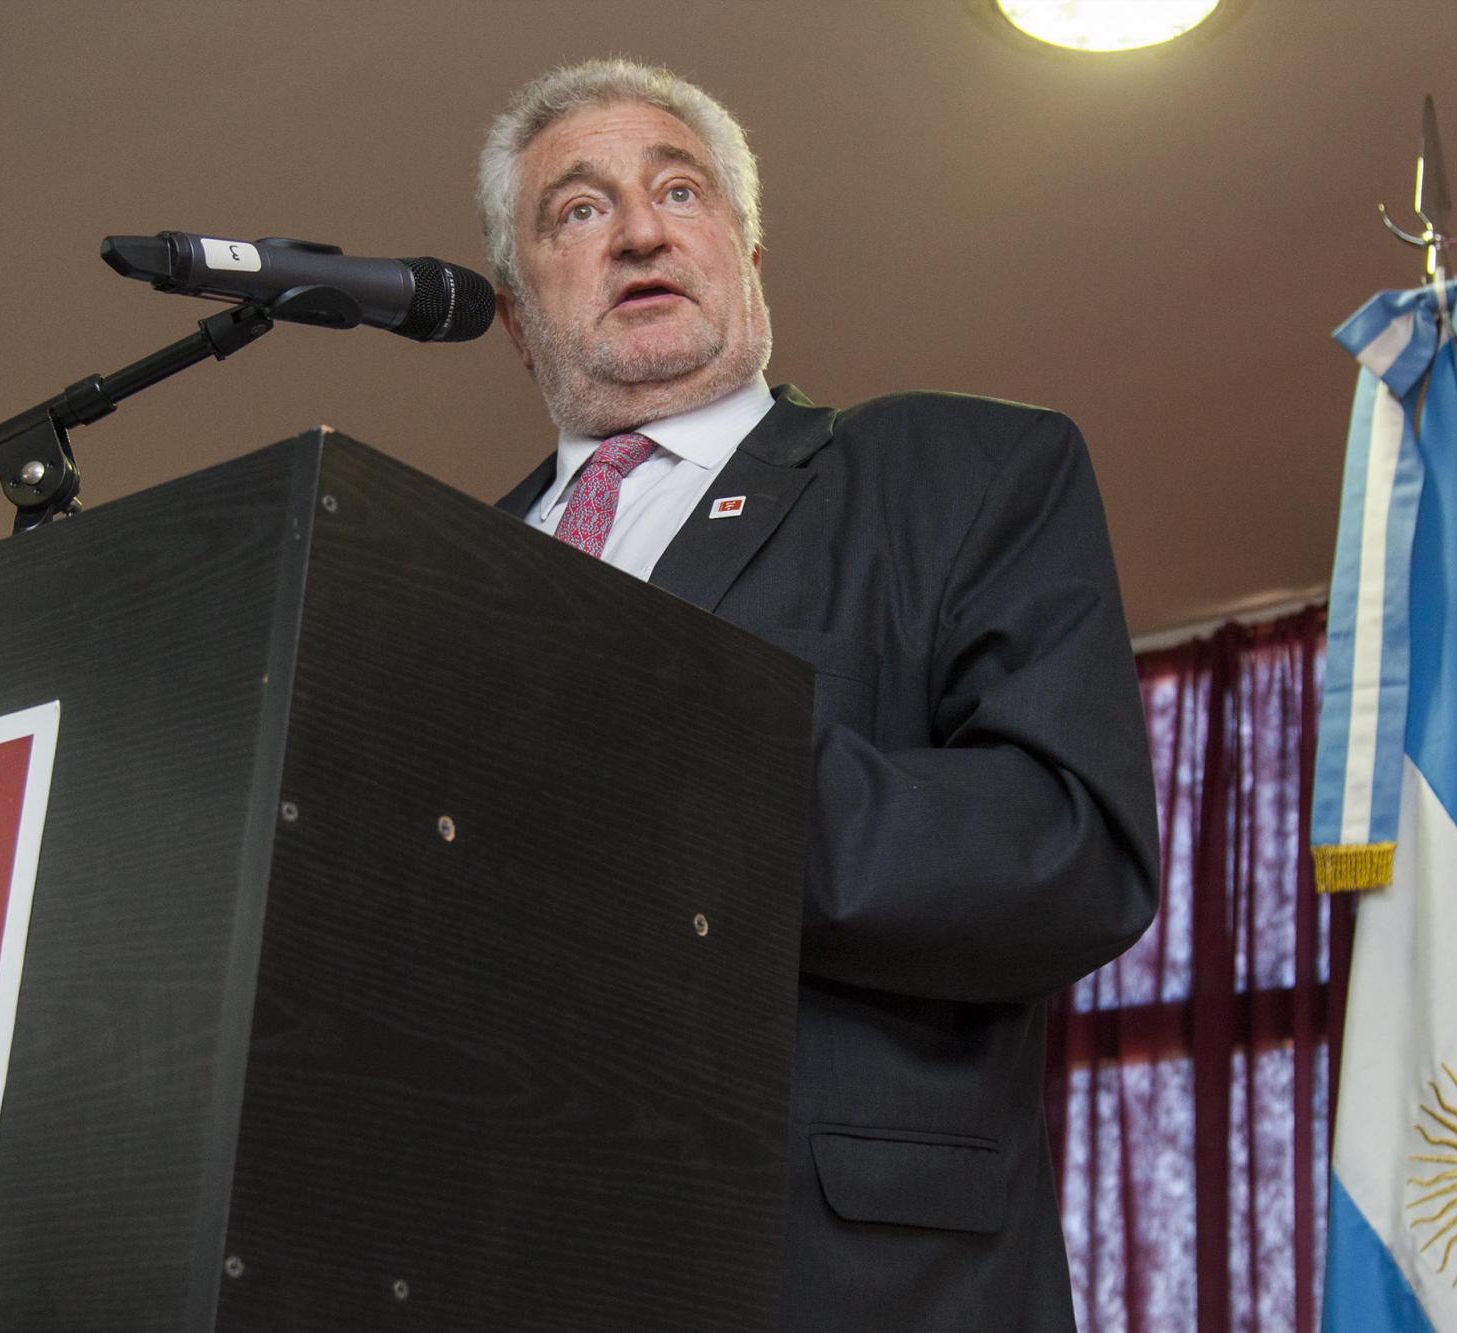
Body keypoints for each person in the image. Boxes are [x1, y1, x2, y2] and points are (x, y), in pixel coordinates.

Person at [481, 59, 1160, 1331]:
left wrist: (671, 772)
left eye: (678, 191)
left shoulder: (956, 472)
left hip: (843, 1278)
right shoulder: (430, 580)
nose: (638, 232)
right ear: (517, 314)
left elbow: (1072, 847)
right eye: (576, 210)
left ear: (745, 257)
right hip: (484, 1251)